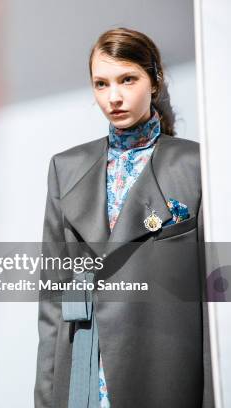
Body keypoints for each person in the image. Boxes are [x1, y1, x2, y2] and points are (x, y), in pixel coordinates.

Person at [34, 28, 213, 408]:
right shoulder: (66, 169)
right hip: (86, 358)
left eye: (127, 79)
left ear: (155, 80)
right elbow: (52, 297)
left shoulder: (198, 165)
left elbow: (216, 293)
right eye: (101, 84)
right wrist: (48, 399)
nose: (113, 97)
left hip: (164, 369)